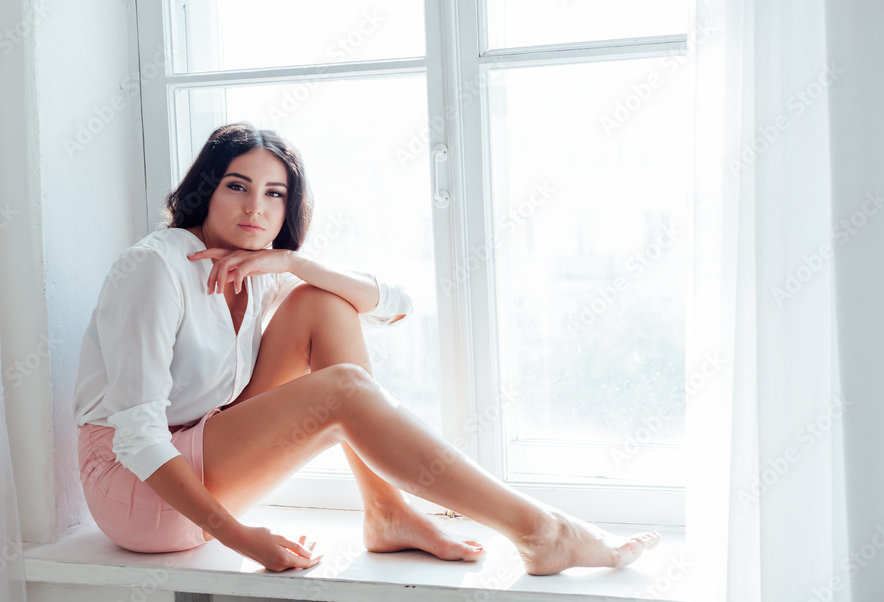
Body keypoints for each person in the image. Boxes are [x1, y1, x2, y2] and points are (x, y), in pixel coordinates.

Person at [72, 122, 660, 575]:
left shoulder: (260, 271)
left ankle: (386, 510)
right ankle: (539, 531)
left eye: (275, 194)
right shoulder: (154, 268)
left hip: (203, 448)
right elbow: (139, 437)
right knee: (344, 390)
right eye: (237, 186)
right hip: (136, 490)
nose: (256, 208)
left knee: (320, 301)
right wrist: (243, 539)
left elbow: (395, 305)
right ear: (205, 191)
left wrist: (297, 262)